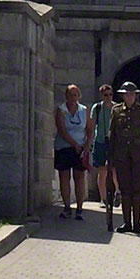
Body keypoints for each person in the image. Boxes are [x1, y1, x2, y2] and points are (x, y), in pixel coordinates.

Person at [108, 83, 140, 234]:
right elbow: (112, 134)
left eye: (132, 94)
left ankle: (137, 223)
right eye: (126, 94)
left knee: (138, 190)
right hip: (121, 155)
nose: (129, 97)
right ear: (123, 96)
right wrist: (110, 156)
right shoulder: (116, 110)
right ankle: (127, 222)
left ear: (135, 95)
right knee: (125, 189)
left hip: (139, 155)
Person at [53, 84, 93, 220]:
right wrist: (74, 144)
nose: (73, 98)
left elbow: (90, 128)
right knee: (64, 176)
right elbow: (62, 130)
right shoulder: (61, 110)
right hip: (63, 147)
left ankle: (80, 209)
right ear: (66, 96)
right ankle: (67, 207)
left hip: (80, 148)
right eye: (70, 95)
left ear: (79, 96)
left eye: (75, 95)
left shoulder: (84, 110)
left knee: (79, 177)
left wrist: (87, 144)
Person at [89, 84, 118, 212]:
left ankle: (118, 192)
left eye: (110, 94)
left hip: (114, 143)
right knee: (102, 171)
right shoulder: (97, 108)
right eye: (106, 95)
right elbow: (91, 126)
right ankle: (103, 199)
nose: (108, 97)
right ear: (102, 95)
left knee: (115, 169)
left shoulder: (116, 108)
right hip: (100, 141)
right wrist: (89, 143)